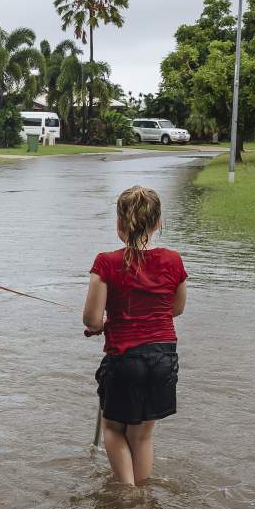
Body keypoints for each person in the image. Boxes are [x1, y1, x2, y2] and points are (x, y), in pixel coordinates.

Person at [82, 185, 187, 487]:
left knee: (113, 428)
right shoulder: (173, 260)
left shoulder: (106, 262)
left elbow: (91, 318)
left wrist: (100, 324)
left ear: (119, 224)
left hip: (125, 358)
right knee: (142, 435)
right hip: (163, 358)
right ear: (158, 223)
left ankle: (127, 496)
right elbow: (175, 309)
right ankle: (141, 493)